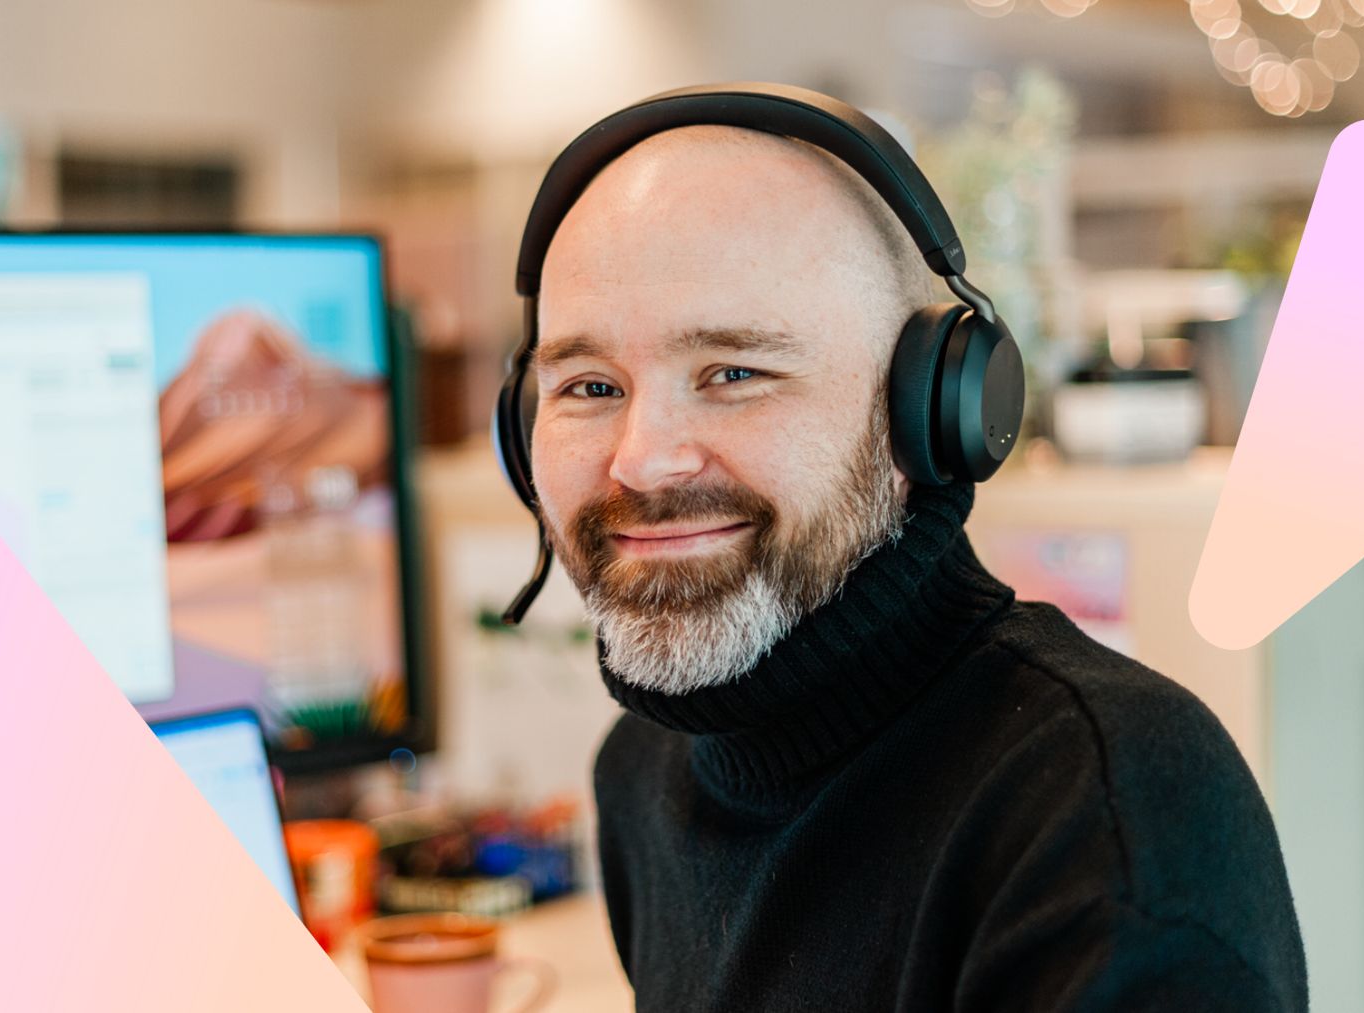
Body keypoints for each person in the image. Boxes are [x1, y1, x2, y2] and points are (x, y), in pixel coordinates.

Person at [517, 91, 1308, 1009]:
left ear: (927, 412)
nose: (644, 458)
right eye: (587, 385)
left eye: (734, 372)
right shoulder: (644, 771)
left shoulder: (1106, 810)